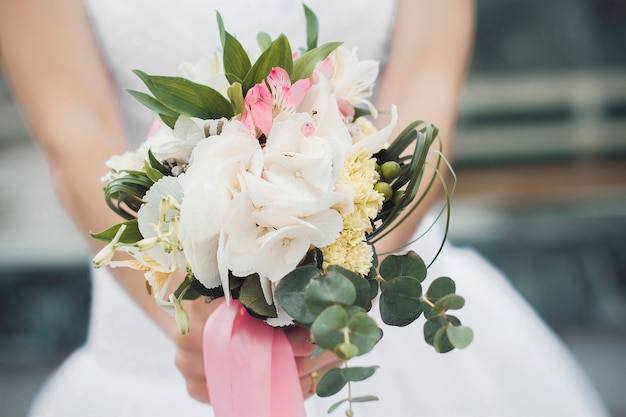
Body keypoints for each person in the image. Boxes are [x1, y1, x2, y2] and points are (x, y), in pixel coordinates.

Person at [0, 0, 609, 416]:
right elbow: (72, 135)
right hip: (156, 326)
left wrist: (339, 297)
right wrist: (196, 330)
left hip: (369, 307)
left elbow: (425, 102)